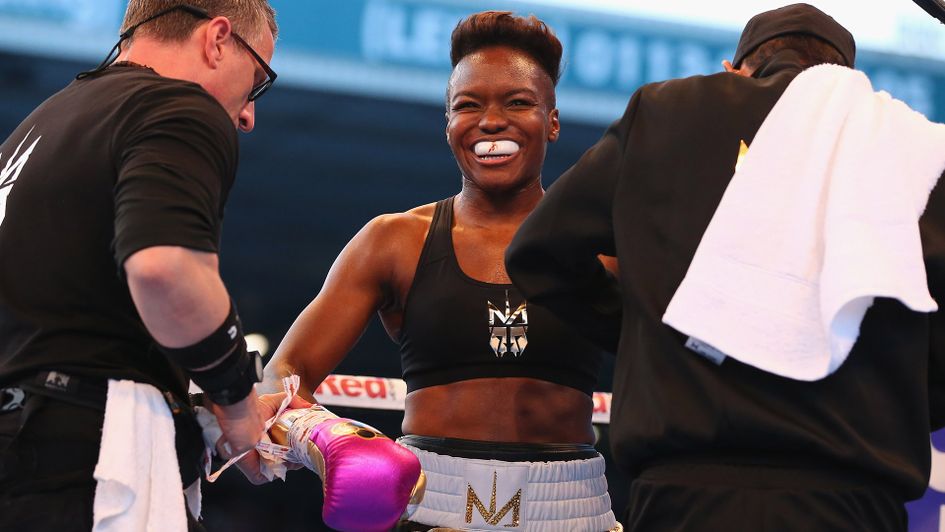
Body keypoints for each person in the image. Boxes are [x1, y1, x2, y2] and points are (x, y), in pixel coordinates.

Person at [506, 3, 945, 531]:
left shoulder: (665, 110)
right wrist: (893, 399)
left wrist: (659, 333)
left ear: (734, 68)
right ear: (846, 83)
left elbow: (539, 252)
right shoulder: (914, 145)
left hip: (684, 496)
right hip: (854, 499)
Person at [261, 11, 620, 532]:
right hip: (427, 507)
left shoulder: (606, 244)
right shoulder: (394, 241)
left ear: (553, 120)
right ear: (448, 124)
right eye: (468, 105)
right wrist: (331, 444)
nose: (490, 121)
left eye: (517, 102)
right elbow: (282, 378)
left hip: (575, 511)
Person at [0, 1, 285, 530]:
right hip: (81, 457)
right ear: (217, 39)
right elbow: (165, 270)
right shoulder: (179, 106)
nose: (248, 114)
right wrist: (236, 402)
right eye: (257, 81)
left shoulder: (38, 126)